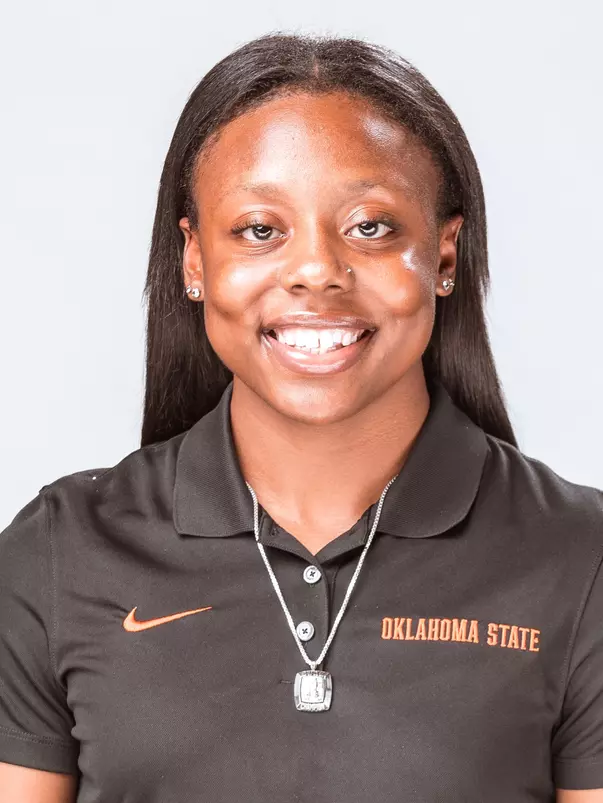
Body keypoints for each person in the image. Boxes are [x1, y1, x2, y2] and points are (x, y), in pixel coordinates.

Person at [1, 31, 602, 803]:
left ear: (445, 255)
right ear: (193, 261)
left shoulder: (581, 559)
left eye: (370, 225)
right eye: (260, 229)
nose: (316, 270)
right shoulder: (60, 552)